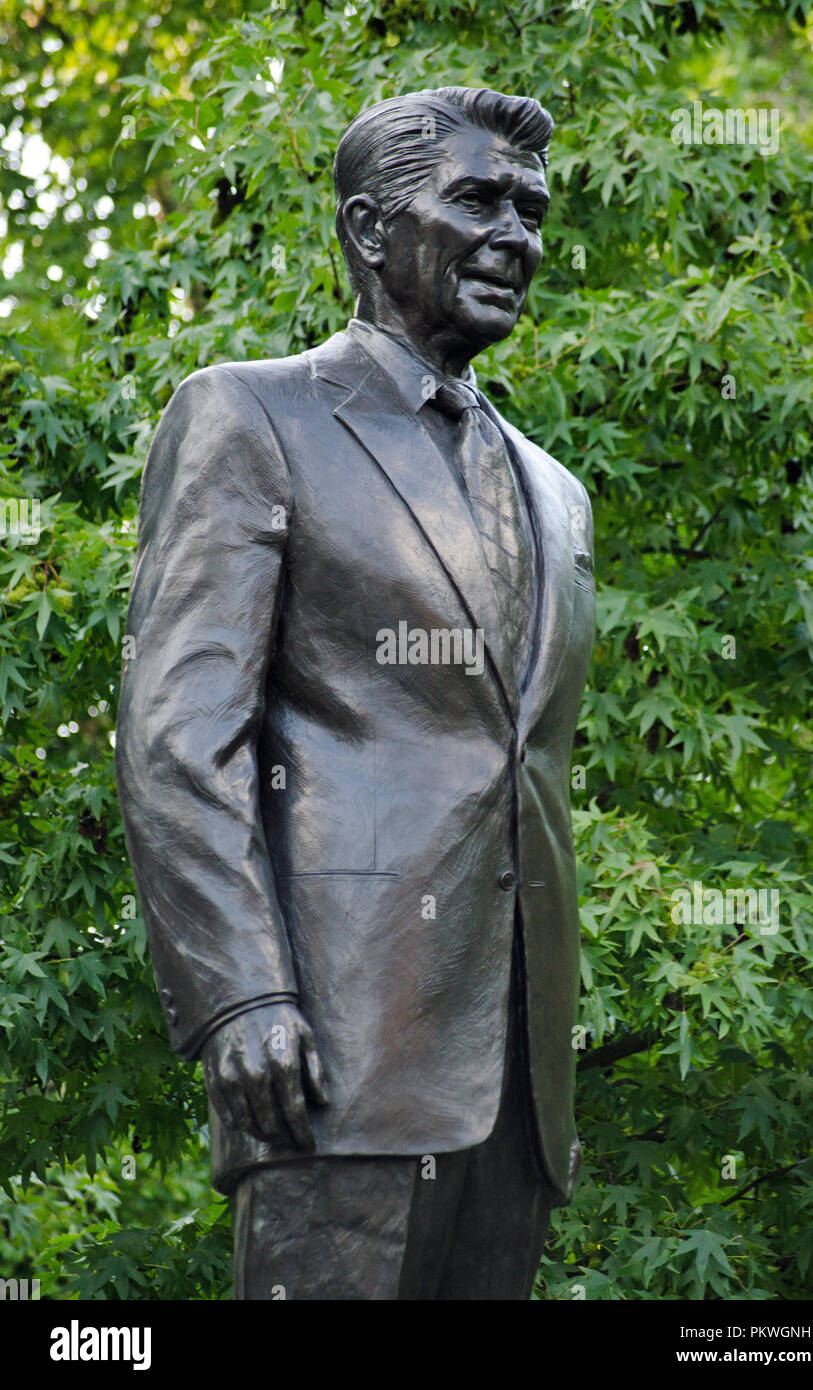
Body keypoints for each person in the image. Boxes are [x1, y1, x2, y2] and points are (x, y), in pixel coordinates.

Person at [115, 86, 595, 1300]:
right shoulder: (252, 417)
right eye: (478, 199)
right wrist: (242, 990)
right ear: (372, 231)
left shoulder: (557, 492)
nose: (516, 235)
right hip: (330, 1047)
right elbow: (178, 737)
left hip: (517, 1075)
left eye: (531, 210)